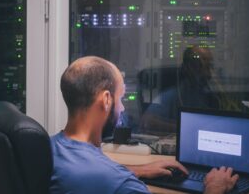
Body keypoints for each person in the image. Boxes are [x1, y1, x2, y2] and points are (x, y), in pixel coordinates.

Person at [49, 56, 238, 194]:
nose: (122, 107)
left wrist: (137, 170)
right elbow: (105, 176)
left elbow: (89, 172)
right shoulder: (122, 185)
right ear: (106, 100)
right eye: (120, 97)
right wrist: (215, 188)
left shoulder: (46, 149)